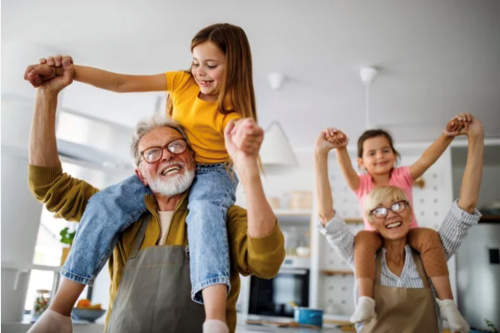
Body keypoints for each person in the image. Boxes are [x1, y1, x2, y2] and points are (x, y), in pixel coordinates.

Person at [25, 23, 258, 333]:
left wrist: (247, 157)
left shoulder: (233, 114)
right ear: (139, 170)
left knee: (204, 214)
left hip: (215, 173)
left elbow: (265, 258)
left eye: (211, 65)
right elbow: (120, 82)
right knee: (106, 202)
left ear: (235, 66)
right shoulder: (182, 83)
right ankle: (58, 312)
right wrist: (69, 74)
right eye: (195, 62)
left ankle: (214, 321)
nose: (200, 72)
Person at [314, 116, 484, 333]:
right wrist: (330, 151)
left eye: (398, 205)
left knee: (428, 235)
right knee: (364, 238)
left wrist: (463, 136)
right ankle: (365, 301)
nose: (391, 215)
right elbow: (327, 215)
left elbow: (463, 203)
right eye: (379, 209)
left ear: (409, 209)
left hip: (415, 236)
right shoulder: (360, 252)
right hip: (370, 238)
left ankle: (448, 305)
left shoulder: (430, 254)